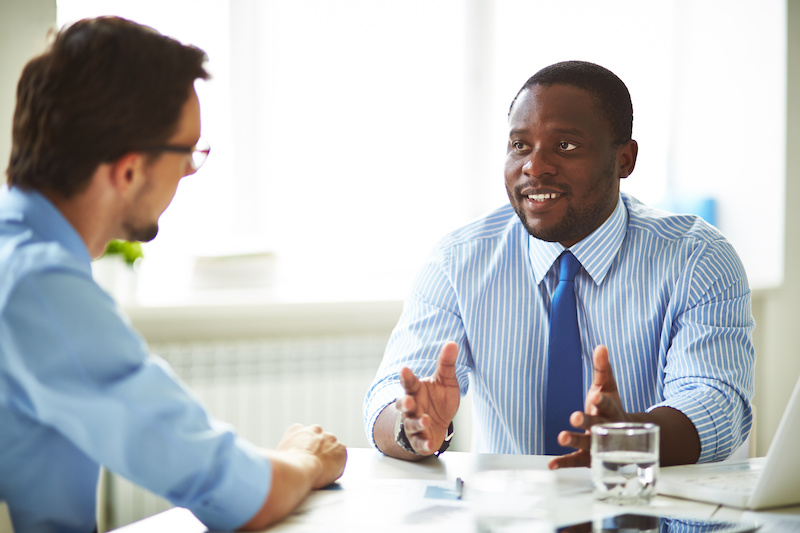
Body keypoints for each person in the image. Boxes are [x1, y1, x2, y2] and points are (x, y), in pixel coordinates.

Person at [0, 17, 346, 533]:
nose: (188, 172)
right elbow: (232, 492)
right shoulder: (41, 289)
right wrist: (306, 458)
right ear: (130, 169)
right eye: (188, 152)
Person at [364, 60, 754, 469]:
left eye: (565, 146)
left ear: (624, 159)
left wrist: (628, 437)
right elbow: (390, 395)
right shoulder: (457, 261)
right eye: (520, 146)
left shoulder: (699, 259)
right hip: (509, 517)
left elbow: (717, 402)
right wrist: (411, 428)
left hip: (644, 510)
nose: (534, 166)